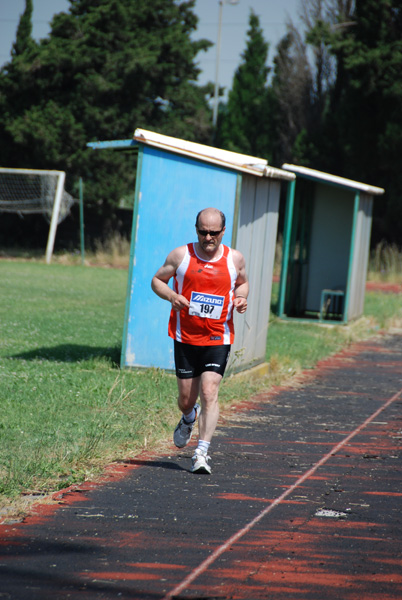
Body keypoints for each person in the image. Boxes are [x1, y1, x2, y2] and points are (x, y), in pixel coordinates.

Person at [151, 207, 249, 474]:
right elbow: (157, 281)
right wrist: (172, 296)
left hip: (219, 336)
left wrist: (241, 299)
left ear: (223, 232)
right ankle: (188, 416)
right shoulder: (181, 256)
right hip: (185, 337)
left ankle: (201, 453)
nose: (208, 238)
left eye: (214, 233)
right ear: (196, 230)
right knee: (186, 399)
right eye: (203, 232)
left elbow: (242, 283)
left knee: (210, 391)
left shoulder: (234, 259)